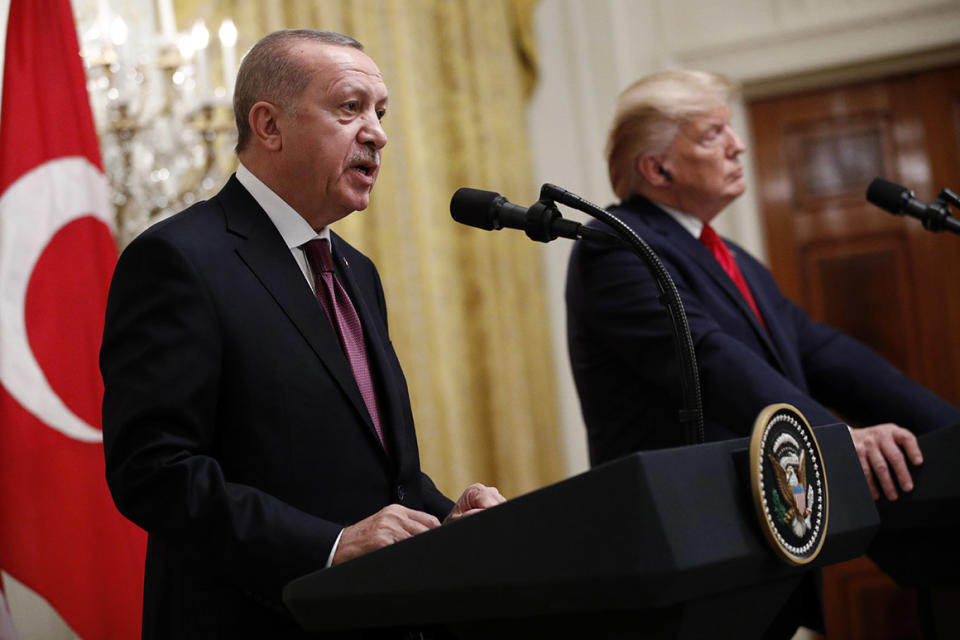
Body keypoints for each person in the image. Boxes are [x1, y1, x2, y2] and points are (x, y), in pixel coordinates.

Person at [100, 29, 504, 639]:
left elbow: (376, 470)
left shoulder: (355, 271)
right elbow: (155, 471)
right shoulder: (180, 260)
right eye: (350, 108)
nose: (377, 132)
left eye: (380, 112)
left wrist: (446, 517)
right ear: (268, 125)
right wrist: (329, 544)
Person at [565, 70, 960, 501]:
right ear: (658, 169)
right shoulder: (615, 249)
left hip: (770, 517)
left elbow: (823, 353)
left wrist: (949, 429)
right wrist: (837, 440)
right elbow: (707, 359)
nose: (738, 145)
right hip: (687, 522)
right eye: (713, 135)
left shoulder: (735, 259)